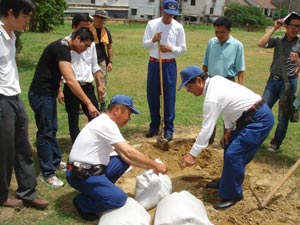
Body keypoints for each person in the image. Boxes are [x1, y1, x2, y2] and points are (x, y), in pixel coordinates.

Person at [179, 66, 274, 210]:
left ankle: (232, 195)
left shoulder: (212, 97)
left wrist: (192, 154)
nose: (188, 90)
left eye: (189, 86)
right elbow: (226, 106)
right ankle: (226, 181)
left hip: (258, 119)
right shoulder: (215, 81)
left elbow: (207, 130)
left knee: (234, 154)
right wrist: (228, 130)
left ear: (199, 80)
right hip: (248, 117)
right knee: (229, 145)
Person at [66, 94, 168, 221]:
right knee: (118, 199)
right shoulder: (106, 124)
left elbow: (125, 156)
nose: (129, 118)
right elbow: (129, 152)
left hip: (88, 169)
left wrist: (149, 166)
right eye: (129, 114)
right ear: (117, 110)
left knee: (121, 160)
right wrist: (155, 165)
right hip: (81, 174)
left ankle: (100, 191)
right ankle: (83, 203)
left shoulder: (104, 121)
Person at [28, 27, 100, 188]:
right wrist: (88, 103)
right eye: (86, 45)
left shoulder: (63, 47)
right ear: (77, 39)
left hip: (47, 94)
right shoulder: (62, 49)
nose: (86, 50)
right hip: (41, 94)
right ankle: (47, 173)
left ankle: (54, 161)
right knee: (46, 132)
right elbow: (71, 80)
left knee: (52, 128)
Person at [0, 0, 48, 209]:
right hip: (1, 98)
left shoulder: (11, 36)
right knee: (5, 149)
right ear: (11, 13)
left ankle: (27, 192)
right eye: (25, 16)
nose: (28, 21)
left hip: (15, 96)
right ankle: (1, 196)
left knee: (23, 147)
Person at [142, 0, 186, 141]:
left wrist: (171, 49)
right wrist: (154, 40)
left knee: (169, 97)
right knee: (153, 95)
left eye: (172, 15)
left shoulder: (178, 27)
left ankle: (168, 129)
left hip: (169, 65)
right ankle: (154, 126)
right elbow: (145, 44)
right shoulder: (152, 24)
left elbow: (183, 48)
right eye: (167, 13)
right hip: (154, 63)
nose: (169, 17)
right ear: (162, 9)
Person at [57, 14, 103, 144]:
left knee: (94, 114)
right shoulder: (65, 44)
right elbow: (60, 70)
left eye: (88, 28)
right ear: (74, 27)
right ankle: (76, 144)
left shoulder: (91, 43)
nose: (86, 31)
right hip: (72, 87)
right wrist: (59, 89)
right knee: (73, 116)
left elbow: (94, 65)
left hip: (87, 85)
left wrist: (99, 84)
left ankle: (95, 142)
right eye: (83, 28)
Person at [258, 12, 300, 152]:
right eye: (293, 26)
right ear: (286, 26)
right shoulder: (277, 40)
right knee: (262, 111)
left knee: (283, 116)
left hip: (289, 83)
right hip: (273, 81)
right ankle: (257, 138)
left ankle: (276, 143)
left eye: (299, 26)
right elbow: (261, 43)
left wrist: (298, 62)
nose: (296, 29)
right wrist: (275, 27)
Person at [202, 16, 245, 144]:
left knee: (229, 114)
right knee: (210, 112)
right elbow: (205, 64)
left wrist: (240, 87)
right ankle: (208, 139)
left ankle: (227, 139)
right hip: (211, 81)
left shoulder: (237, 45)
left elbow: (241, 69)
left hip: (228, 81)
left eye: (222, 32)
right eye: (216, 32)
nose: (219, 35)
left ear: (229, 31)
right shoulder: (211, 43)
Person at [90, 10, 113, 112]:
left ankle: (102, 103)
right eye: (98, 17)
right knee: (86, 82)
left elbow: (109, 47)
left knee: (102, 82)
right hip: (88, 60)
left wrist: (110, 62)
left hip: (101, 59)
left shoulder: (106, 31)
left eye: (102, 18)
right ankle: (85, 103)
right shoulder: (87, 30)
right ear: (94, 18)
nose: (100, 20)